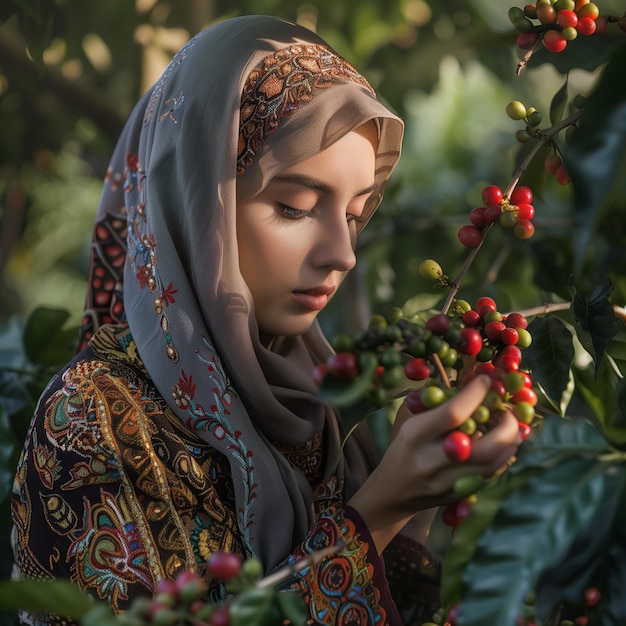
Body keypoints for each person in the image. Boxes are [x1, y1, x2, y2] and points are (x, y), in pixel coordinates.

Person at [10, 15, 519, 626]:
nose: (344, 252)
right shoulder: (92, 419)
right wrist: (380, 509)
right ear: (200, 208)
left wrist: (414, 488)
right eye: (295, 206)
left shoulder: (308, 402)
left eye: (356, 215)